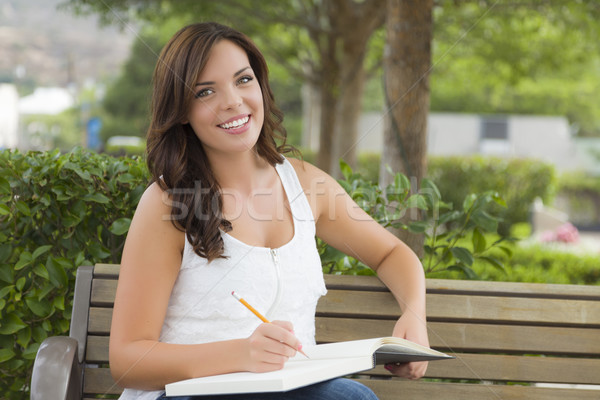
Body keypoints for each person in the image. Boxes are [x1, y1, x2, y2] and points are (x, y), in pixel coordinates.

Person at [109, 22, 429, 400]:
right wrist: (240, 354)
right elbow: (127, 359)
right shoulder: (168, 203)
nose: (232, 101)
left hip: (289, 389)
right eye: (206, 91)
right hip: (187, 394)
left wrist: (414, 314)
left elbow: (392, 253)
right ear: (181, 111)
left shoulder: (307, 186)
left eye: (243, 80)